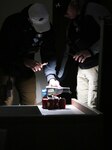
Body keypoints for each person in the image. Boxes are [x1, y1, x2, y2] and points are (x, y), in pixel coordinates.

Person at [0, 3, 61, 105]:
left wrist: (51, 77)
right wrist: (24, 61)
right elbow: (4, 52)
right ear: (29, 19)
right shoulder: (12, 23)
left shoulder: (48, 27)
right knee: (5, 103)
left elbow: (49, 53)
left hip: (26, 71)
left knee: (30, 103)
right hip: (7, 67)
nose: (41, 30)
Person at [63, 0, 111, 108]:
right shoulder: (73, 22)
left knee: (93, 105)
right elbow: (67, 49)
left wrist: (90, 51)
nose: (66, 15)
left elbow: (107, 33)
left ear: (72, 4)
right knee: (81, 105)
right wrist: (57, 77)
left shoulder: (93, 10)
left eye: (66, 11)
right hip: (82, 68)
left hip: (96, 66)